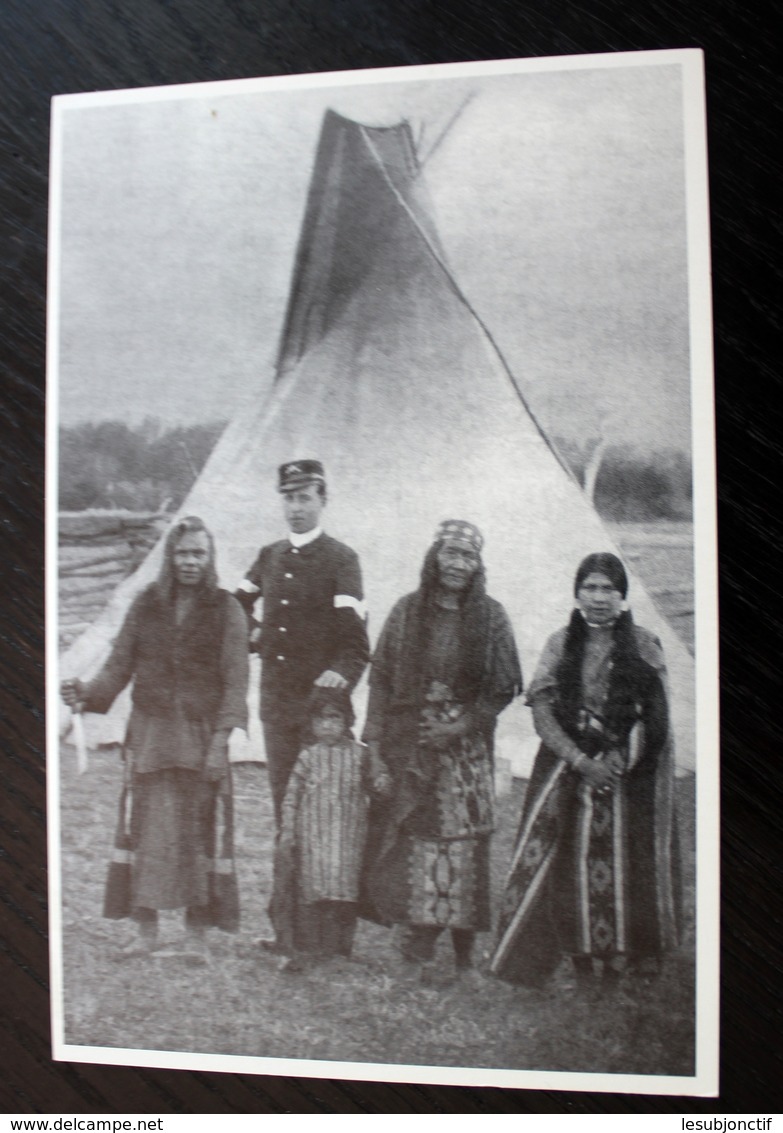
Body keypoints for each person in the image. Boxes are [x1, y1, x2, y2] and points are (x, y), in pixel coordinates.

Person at [60, 516, 249, 964]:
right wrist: (86, 694)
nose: (190, 561)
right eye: (183, 553)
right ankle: (145, 931)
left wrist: (222, 741)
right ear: (170, 556)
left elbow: (236, 680)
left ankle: (197, 936)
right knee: (143, 830)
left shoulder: (227, 609)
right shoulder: (146, 604)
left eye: (199, 553)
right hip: (150, 735)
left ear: (210, 557)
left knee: (198, 832)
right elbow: (118, 665)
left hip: (200, 736)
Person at [490, 552, 681, 989]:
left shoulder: (645, 643)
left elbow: (656, 716)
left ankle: (620, 960)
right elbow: (541, 707)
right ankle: (579, 962)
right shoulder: (560, 642)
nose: (598, 598)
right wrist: (580, 761)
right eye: (590, 588)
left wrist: (614, 764)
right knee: (563, 864)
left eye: (608, 589)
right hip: (567, 763)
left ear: (622, 595)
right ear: (577, 593)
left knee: (623, 862)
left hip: (626, 770)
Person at [361, 520, 522, 978]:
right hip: (412, 742)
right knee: (420, 836)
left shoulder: (491, 616)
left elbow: (504, 685)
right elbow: (381, 678)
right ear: (435, 557)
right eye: (450, 554)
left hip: (466, 748)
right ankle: (420, 936)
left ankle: (465, 949)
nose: (457, 564)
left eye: (467, 557)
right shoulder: (407, 612)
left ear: (478, 565)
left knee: (466, 842)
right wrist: (374, 741)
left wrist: (461, 727)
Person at [235, 460, 370, 829]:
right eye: (289, 499)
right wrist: (254, 631)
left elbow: (356, 644)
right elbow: (236, 607)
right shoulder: (270, 555)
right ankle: (286, 886)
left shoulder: (342, 559)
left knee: (324, 808)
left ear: (323, 500)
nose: (295, 508)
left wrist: (338, 677)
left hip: (320, 708)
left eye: (304, 498)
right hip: (276, 703)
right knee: (285, 804)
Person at [268, 687, 379, 972]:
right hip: (314, 838)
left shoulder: (360, 756)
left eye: (334, 718)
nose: (327, 725)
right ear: (312, 723)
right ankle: (308, 949)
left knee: (343, 893)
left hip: (347, 839)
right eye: (320, 719)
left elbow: (377, 787)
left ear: (348, 721)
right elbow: (292, 796)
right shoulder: (308, 757)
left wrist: (382, 784)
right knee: (313, 892)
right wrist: (289, 831)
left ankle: (339, 949)